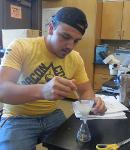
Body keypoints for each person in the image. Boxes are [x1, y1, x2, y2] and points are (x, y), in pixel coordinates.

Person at [0, 7, 106, 150]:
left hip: (52, 116)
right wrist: (42, 90)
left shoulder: (75, 58)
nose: (70, 46)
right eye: (65, 36)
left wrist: (92, 103)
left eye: (76, 41)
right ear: (51, 28)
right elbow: (2, 89)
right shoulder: (21, 47)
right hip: (17, 117)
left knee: (84, 145)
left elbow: (85, 90)